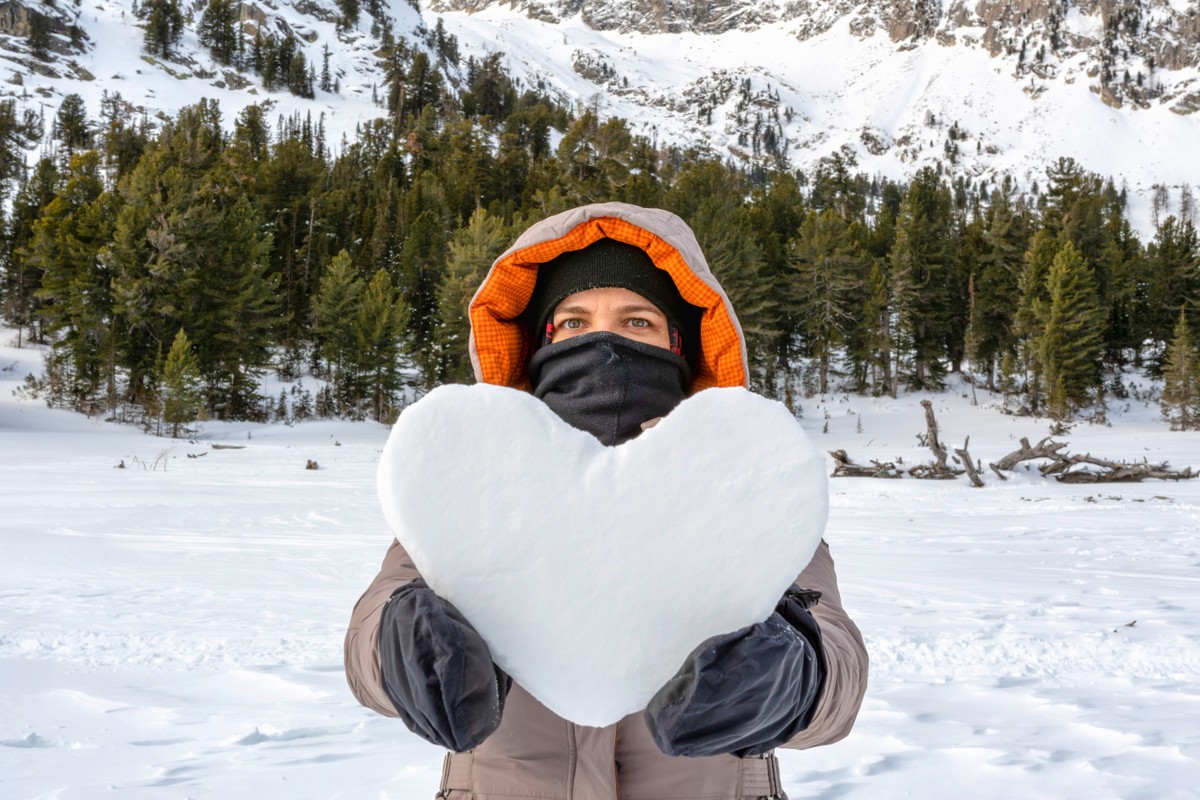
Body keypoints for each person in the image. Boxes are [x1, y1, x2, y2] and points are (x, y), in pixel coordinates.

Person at [345, 202, 869, 799]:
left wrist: (798, 676)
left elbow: (838, 663)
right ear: (538, 346)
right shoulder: (479, 489)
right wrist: (396, 645)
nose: (603, 342)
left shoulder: (743, 489)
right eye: (572, 322)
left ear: (681, 346)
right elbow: (369, 641)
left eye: (637, 321)